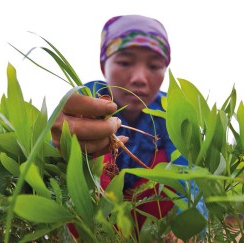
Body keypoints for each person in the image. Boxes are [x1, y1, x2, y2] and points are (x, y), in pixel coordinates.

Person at [51, 14, 204, 239]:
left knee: (169, 169)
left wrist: (192, 231)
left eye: (154, 65)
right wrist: (57, 142)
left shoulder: (169, 111)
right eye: (124, 62)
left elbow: (187, 176)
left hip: (150, 220)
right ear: (104, 66)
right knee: (86, 155)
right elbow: (54, 143)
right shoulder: (88, 100)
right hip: (95, 218)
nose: (140, 78)